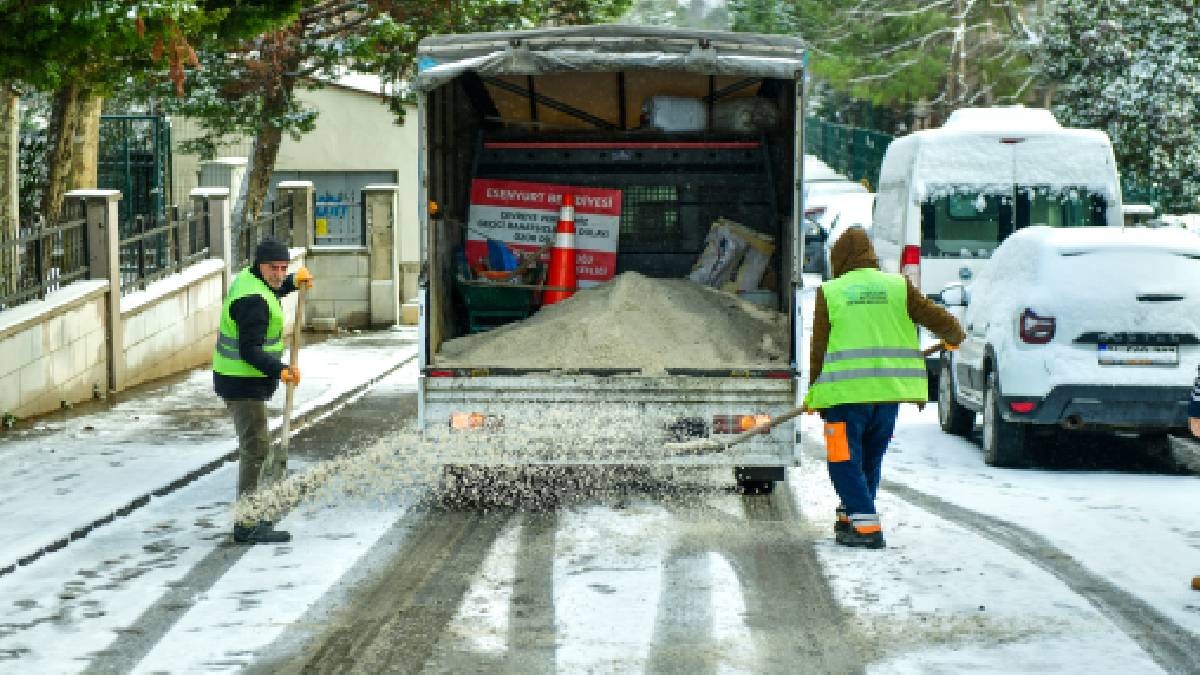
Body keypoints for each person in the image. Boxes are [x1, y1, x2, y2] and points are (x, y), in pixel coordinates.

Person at [803, 227, 964, 549]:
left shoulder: (831, 292)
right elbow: (940, 319)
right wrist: (953, 336)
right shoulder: (898, 287)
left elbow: (819, 348)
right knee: (869, 461)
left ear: (840, 258)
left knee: (842, 461)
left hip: (844, 397)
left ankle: (866, 527)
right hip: (887, 395)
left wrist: (815, 393)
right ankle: (850, 517)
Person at [212, 238, 313, 544]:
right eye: (275, 268)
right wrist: (280, 370)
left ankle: (253, 513)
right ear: (260, 265)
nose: (279, 274)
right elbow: (249, 351)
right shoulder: (253, 300)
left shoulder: (252, 281)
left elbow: (273, 289)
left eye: (284, 268)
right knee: (255, 448)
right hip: (242, 382)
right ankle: (247, 522)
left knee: (257, 447)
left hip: (242, 380)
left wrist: (294, 282)